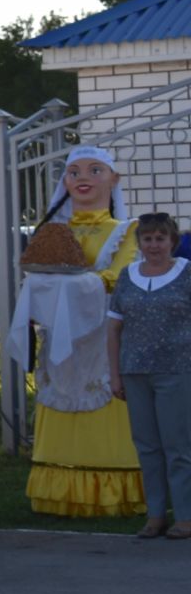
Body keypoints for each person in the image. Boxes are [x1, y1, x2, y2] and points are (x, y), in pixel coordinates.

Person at [24, 146, 143, 516]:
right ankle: (57, 492)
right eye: (74, 172)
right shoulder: (51, 233)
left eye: (94, 170)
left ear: (114, 179)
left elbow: (118, 280)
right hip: (59, 340)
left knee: (106, 407)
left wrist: (60, 284)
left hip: (104, 342)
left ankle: (114, 493)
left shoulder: (128, 232)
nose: (83, 178)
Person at [108, 212, 191, 538]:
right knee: (146, 446)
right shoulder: (127, 276)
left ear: (173, 241)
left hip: (178, 370)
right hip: (134, 372)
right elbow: (114, 329)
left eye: (160, 239)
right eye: (148, 239)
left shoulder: (187, 274)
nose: (154, 245)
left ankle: (185, 516)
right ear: (139, 242)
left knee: (178, 447)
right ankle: (155, 516)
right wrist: (115, 375)